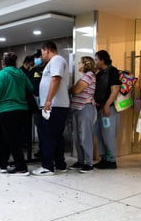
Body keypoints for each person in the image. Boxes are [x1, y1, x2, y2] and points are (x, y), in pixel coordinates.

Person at [0, 52, 34, 175]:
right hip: (22, 110)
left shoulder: (2, 74)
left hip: (6, 110)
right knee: (7, 137)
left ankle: (21, 167)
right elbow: (30, 88)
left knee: (13, 139)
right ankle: (3, 165)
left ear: (3, 62)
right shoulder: (21, 73)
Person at [31, 41, 70, 176]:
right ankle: (60, 164)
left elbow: (56, 79)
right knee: (56, 136)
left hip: (54, 105)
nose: (42, 56)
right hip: (57, 105)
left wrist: (48, 100)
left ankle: (47, 167)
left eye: (42, 53)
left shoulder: (57, 60)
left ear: (47, 50)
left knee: (48, 136)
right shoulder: (55, 61)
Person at [93, 50, 121, 169]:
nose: (95, 62)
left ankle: (111, 160)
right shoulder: (99, 74)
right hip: (98, 108)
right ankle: (103, 157)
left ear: (102, 60)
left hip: (108, 108)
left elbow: (115, 90)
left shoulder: (113, 72)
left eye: (96, 60)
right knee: (99, 134)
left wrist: (107, 105)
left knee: (108, 134)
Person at [68, 56, 97, 173]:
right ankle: (81, 161)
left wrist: (73, 88)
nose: (78, 64)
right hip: (76, 109)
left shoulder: (89, 75)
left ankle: (89, 163)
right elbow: (74, 89)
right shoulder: (84, 77)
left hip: (85, 109)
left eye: (80, 62)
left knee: (85, 136)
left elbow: (75, 90)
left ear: (85, 64)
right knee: (77, 137)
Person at [29, 49, 45, 158]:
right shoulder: (33, 70)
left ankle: (49, 150)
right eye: (35, 57)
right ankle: (42, 149)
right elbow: (29, 86)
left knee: (48, 128)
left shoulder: (49, 68)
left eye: (38, 57)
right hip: (36, 103)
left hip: (49, 103)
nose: (36, 59)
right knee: (39, 127)